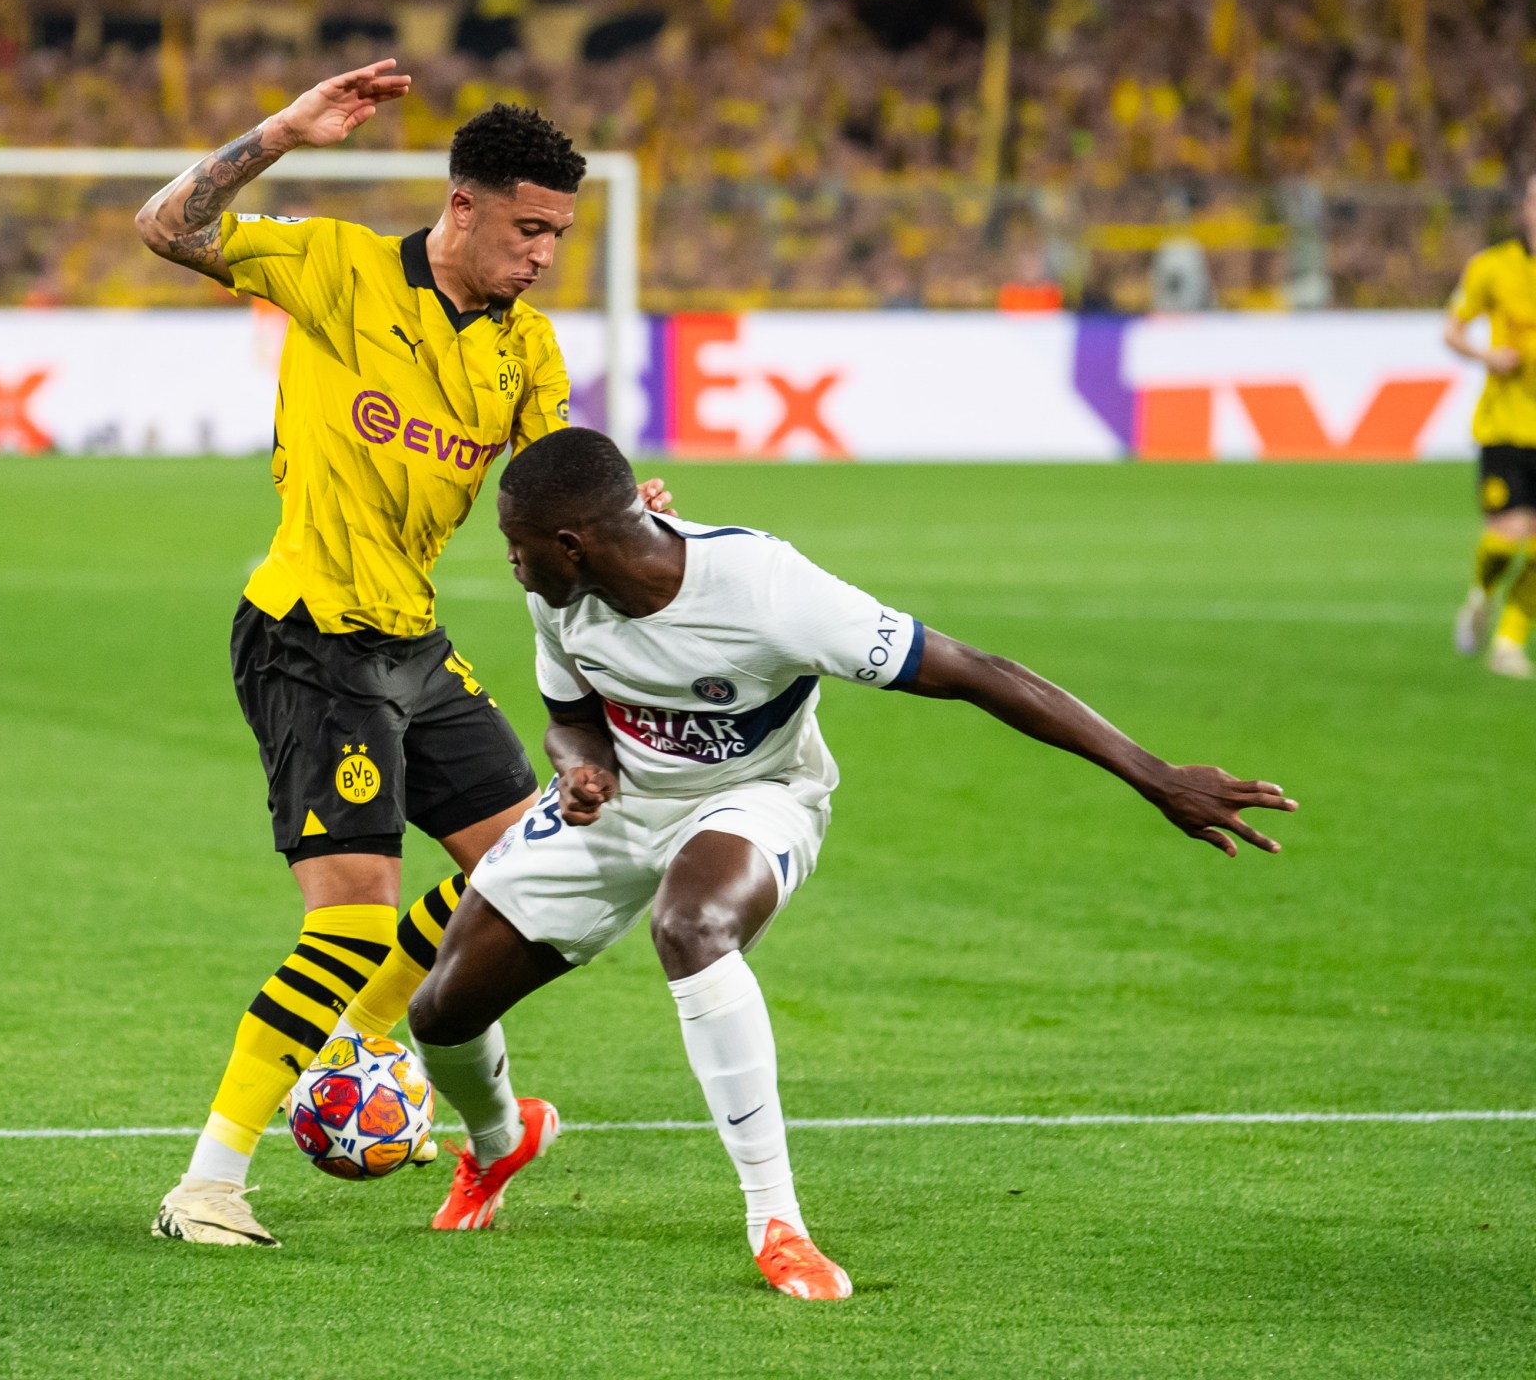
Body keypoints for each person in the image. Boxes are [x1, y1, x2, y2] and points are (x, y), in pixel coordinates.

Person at [404, 427, 1298, 1300]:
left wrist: (1154, 776)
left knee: (693, 926)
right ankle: (500, 1142)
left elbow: (977, 671)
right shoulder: (561, 594)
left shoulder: (767, 589)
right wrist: (580, 767)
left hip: (757, 794)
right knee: (442, 1012)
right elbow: (570, 714)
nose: (509, 561)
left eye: (517, 545)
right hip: (625, 800)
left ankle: (777, 1223)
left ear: (572, 543)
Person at [133, 62, 671, 1246]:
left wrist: (622, 517)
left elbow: (553, 499)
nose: (545, 255)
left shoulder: (526, 350)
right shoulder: (340, 268)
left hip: (410, 642)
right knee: (351, 926)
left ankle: (425, 1081)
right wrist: (282, 131)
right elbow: (166, 227)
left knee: (527, 867)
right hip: (308, 635)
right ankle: (207, 1186)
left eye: (560, 235)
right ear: (463, 207)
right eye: (529, 230)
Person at [1446, 175, 1536, 680]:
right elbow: (1452, 328)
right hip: (1505, 426)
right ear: (1524, 209)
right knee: (1507, 536)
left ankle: (1509, 644)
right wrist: (1486, 355)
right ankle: (1481, 596)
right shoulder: (1492, 267)